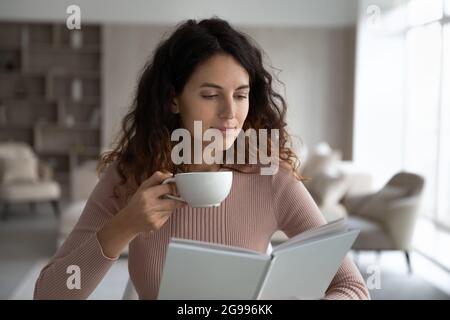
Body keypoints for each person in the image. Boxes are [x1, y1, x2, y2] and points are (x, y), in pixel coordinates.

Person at [34, 17, 369, 300]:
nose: (230, 113)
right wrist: (123, 227)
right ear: (173, 100)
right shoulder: (131, 174)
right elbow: (48, 293)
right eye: (210, 95)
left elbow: (351, 285)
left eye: (240, 95)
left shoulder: (271, 177)